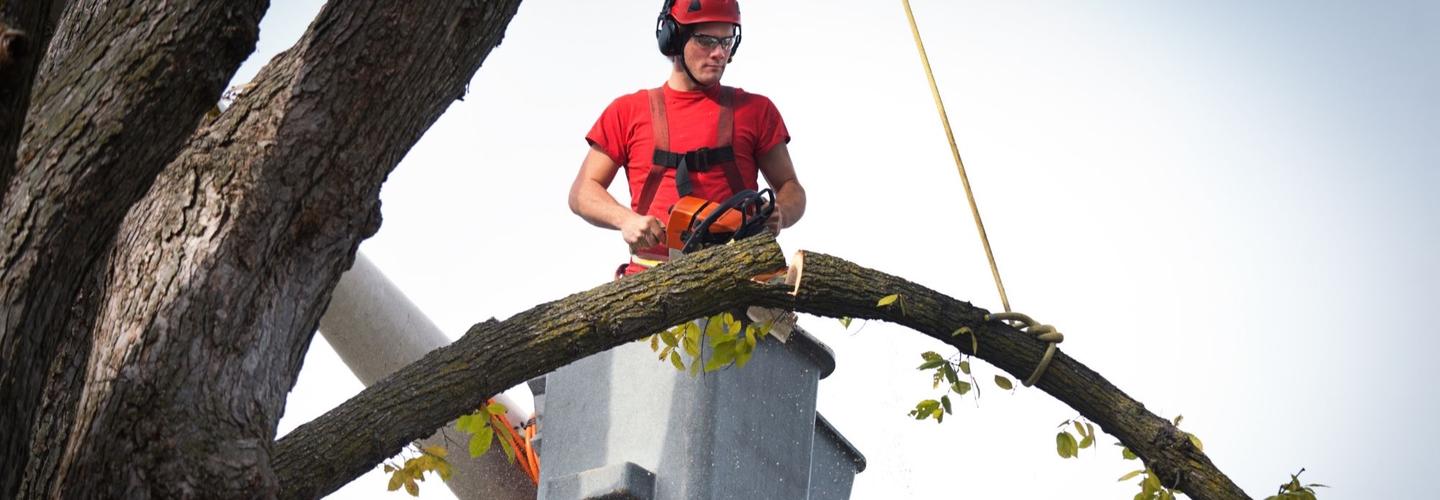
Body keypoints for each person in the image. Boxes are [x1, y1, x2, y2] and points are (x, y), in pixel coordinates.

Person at [568, 0, 805, 277]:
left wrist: (782, 213)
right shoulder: (627, 111)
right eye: (706, 40)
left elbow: (792, 188)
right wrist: (626, 221)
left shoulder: (756, 110)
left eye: (727, 41)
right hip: (653, 282)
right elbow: (581, 192)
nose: (719, 53)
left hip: (741, 276)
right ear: (674, 39)